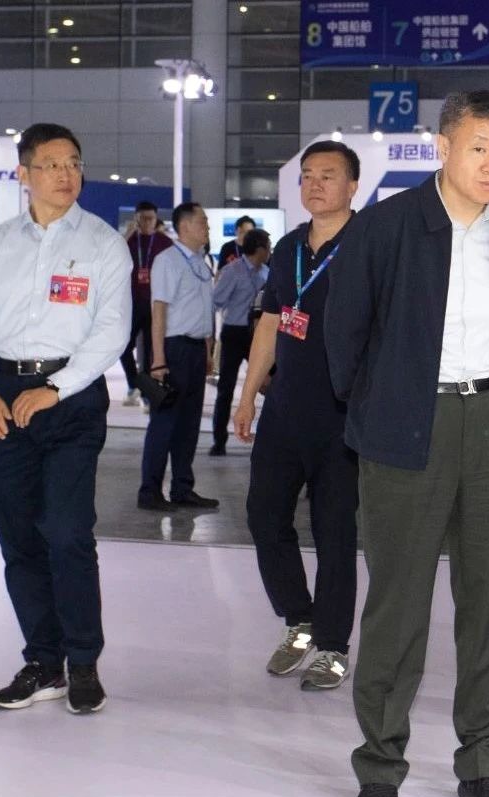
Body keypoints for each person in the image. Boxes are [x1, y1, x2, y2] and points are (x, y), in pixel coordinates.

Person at [325, 90, 489, 797]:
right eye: (479, 148)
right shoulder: (387, 227)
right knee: (398, 604)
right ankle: (380, 765)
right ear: (442, 148)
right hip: (407, 427)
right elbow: (343, 336)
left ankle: (482, 760)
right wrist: (384, 408)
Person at [0, 122, 131, 714]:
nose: (66, 175)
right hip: (2, 396)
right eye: (51, 165)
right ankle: (44, 663)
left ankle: (83, 661)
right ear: (24, 173)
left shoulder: (104, 244)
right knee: (20, 538)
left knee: (69, 533)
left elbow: (112, 331)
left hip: (71, 399)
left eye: (74, 163)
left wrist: (57, 387)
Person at [233, 139, 360, 691]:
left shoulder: (370, 244)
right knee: (264, 516)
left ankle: (332, 645)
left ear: (352, 185)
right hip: (285, 409)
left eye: (328, 175)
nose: (315, 184)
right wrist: (247, 395)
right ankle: (299, 619)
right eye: (307, 175)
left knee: (335, 533)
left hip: (343, 416)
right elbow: (271, 321)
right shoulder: (287, 248)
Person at [137, 202, 219, 512]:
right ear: (184, 226)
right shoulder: (167, 260)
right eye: (203, 222)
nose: (207, 227)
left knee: (189, 424)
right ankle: (150, 491)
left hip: (196, 349)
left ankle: (183, 488)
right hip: (174, 350)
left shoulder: (201, 262)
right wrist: (158, 359)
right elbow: (159, 311)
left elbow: (205, 310)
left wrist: (208, 352)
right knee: (165, 422)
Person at [209, 228, 270, 456]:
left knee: (268, 384)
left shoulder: (267, 273)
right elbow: (216, 301)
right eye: (268, 247)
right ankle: (219, 441)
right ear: (259, 249)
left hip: (258, 335)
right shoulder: (232, 271)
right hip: (234, 333)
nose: (270, 252)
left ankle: (268, 437)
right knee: (226, 387)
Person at [120, 201, 172, 408]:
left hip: (155, 305)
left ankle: (148, 395)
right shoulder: (130, 240)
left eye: (151, 218)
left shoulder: (164, 242)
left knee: (151, 351)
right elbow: (113, 255)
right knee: (122, 346)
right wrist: (128, 233)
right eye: (143, 218)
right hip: (132, 303)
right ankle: (134, 384)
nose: (147, 222)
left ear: (156, 219)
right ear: (136, 219)